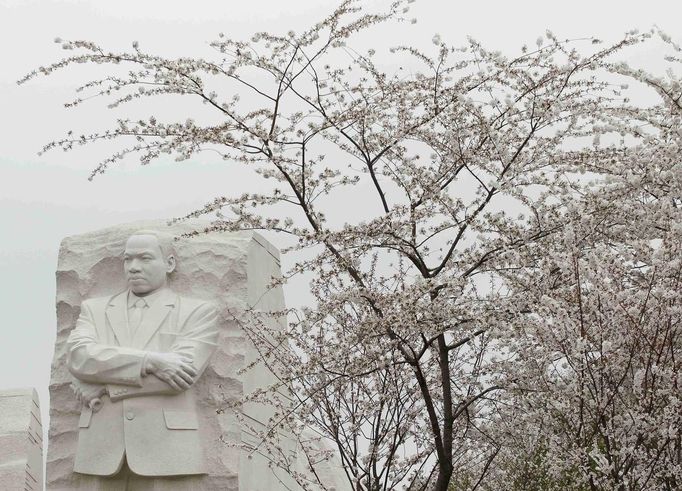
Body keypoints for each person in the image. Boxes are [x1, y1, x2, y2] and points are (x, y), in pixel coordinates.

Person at [67, 230, 219, 490]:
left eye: (145, 258)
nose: (134, 267)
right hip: (100, 450)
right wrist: (151, 361)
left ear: (169, 263)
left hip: (168, 452)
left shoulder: (197, 312)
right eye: (128, 259)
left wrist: (103, 387)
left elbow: (181, 376)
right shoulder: (95, 309)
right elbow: (80, 357)